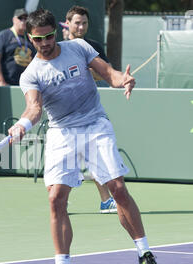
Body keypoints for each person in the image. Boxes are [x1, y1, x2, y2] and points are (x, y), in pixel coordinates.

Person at [8, 8, 164, 264]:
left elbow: (109, 74)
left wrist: (123, 80)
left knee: (117, 188)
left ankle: (145, 253)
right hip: (62, 132)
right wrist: (22, 125)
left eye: (49, 36)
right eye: (39, 39)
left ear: (58, 31)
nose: (45, 43)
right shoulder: (30, 75)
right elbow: (34, 109)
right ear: (30, 39)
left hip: (94, 124)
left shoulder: (78, 47)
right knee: (56, 198)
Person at [61, 6, 116, 214]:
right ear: (68, 23)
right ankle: (61, 202)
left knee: (95, 157)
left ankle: (105, 201)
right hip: (64, 116)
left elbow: (105, 74)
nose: (81, 26)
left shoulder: (93, 47)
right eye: (77, 22)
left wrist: (86, 72)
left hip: (89, 113)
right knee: (66, 163)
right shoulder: (58, 48)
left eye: (84, 23)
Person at [0, 8, 36, 86]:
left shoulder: (30, 38)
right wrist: (1, 80)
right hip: (8, 83)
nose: (23, 21)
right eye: (20, 18)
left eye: (26, 19)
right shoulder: (4, 35)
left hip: (27, 84)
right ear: (14, 19)